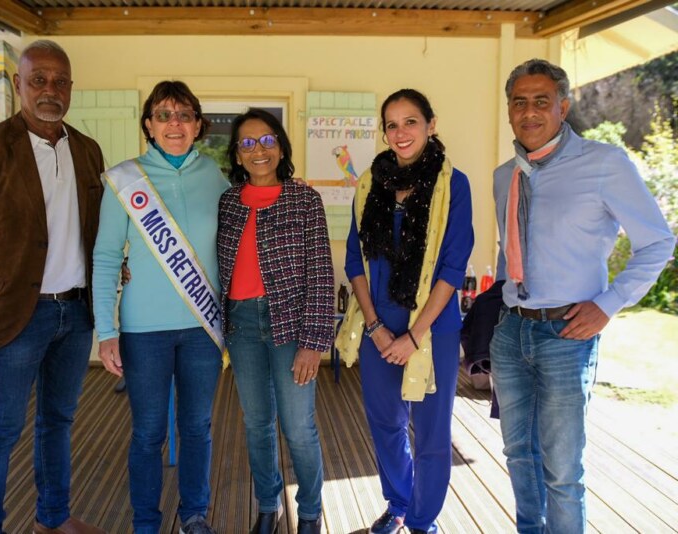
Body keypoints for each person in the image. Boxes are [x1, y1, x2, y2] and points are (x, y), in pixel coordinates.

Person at [491, 58, 674, 534]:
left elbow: (658, 241)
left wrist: (608, 304)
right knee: (518, 454)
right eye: (519, 102)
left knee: (562, 469)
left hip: (567, 336)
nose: (529, 111)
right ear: (508, 110)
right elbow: (511, 249)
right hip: (512, 332)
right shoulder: (504, 175)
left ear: (564, 107)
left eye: (542, 101)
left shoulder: (604, 164)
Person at [0, 40, 105, 534]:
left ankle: (52, 519)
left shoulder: (87, 150)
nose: (49, 90)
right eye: (38, 80)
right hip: (18, 317)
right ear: (18, 85)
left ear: (71, 88)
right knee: (0, 430)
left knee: (58, 423)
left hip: (76, 314)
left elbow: (95, 231)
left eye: (60, 81)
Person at [92, 80, 229, 534]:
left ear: (198, 125)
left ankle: (194, 515)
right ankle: (146, 522)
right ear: (148, 125)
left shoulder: (216, 178)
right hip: (143, 331)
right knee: (149, 432)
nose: (175, 123)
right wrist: (106, 331)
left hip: (202, 330)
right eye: (164, 115)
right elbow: (106, 257)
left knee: (197, 428)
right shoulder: (124, 180)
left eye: (185, 115)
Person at [335, 89, 474, 534]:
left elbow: (452, 266)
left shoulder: (453, 185)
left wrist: (414, 336)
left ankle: (421, 520)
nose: (401, 132)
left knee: (431, 432)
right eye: (392, 125)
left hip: (432, 327)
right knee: (385, 422)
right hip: (378, 324)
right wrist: (375, 326)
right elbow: (355, 261)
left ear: (431, 125)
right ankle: (398, 503)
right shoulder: (369, 184)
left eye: (410, 121)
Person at [217, 109, 334, 534]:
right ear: (237, 154)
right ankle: (268, 506)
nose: (258, 150)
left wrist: (313, 342)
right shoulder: (228, 202)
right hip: (241, 325)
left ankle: (309, 513)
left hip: (291, 325)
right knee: (257, 424)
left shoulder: (305, 200)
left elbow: (321, 272)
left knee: (299, 427)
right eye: (247, 143)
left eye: (267, 140)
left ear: (281, 147)